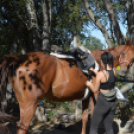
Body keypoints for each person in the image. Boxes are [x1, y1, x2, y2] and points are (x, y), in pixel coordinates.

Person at [86, 52, 116, 134]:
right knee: (109, 128)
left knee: (94, 128)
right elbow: (105, 76)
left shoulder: (101, 74)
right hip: (112, 102)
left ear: (103, 62)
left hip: (103, 103)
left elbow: (95, 90)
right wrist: (94, 71)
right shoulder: (114, 71)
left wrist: (89, 84)